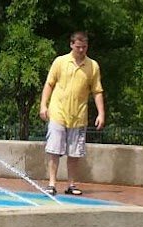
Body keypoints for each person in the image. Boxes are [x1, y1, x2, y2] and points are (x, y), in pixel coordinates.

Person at [39, 31, 106, 196]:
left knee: (75, 153)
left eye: (84, 47)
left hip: (78, 115)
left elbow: (97, 91)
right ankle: (52, 183)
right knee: (54, 149)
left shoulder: (93, 66)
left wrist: (101, 113)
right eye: (78, 47)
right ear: (71, 45)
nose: (81, 50)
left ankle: (71, 184)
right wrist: (43, 105)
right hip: (58, 112)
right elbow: (49, 84)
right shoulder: (60, 62)